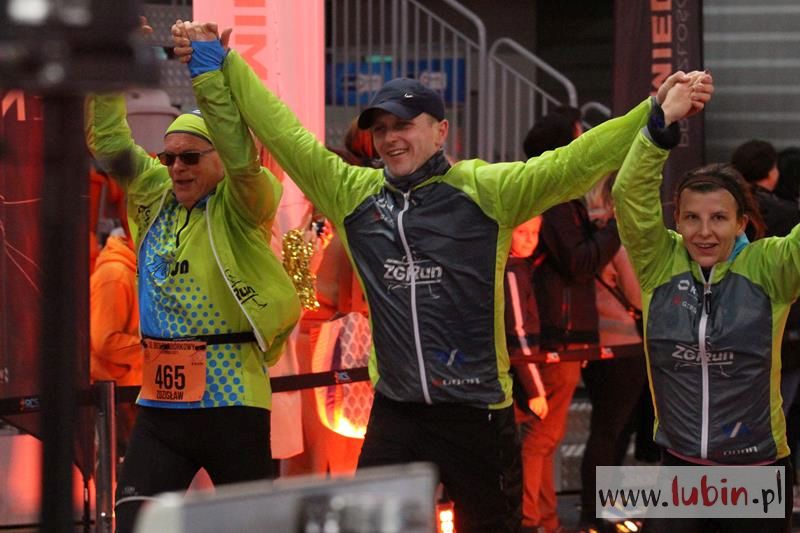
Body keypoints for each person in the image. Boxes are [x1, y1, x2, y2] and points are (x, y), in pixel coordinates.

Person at [171, 22, 711, 532]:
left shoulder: (486, 191)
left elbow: (574, 162)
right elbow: (284, 133)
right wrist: (223, 63)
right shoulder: (352, 193)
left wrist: (652, 114)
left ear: (440, 131)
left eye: (404, 125)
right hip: (396, 413)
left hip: (477, 415)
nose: (390, 138)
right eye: (381, 129)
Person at [84, 22, 301, 533]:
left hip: (233, 405)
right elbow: (108, 140)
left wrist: (206, 71)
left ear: (220, 159)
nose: (176, 167)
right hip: (161, 409)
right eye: (169, 157)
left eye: (190, 157)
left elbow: (242, 157)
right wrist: (115, 62)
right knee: (133, 524)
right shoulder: (151, 193)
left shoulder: (244, 204)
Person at [612, 79, 793, 532]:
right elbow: (629, 196)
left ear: (741, 223)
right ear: (676, 219)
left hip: (756, 469)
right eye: (692, 217)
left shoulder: (769, 267)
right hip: (680, 467)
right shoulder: (658, 263)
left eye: (719, 218)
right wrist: (661, 126)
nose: (704, 232)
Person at [90, 229, 142, 458]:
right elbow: (105, 341)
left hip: (127, 392)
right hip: (117, 395)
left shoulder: (132, 271)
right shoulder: (115, 275)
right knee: (123, 466)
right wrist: (155, 350)